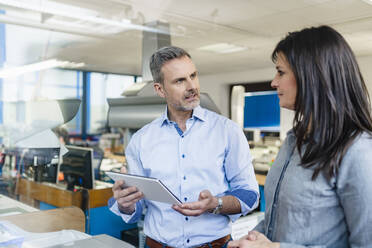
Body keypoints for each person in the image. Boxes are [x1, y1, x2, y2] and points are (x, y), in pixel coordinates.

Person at [228, 25, 372, 248]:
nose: (274, 82)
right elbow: (276, 220)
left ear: (311, 76)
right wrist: (251, 239)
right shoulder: (293, 141)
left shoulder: (358, 151)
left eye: (281, 72)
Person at [108, 46, 259, 248]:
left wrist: (216, 204)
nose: (192, 86)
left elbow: (250, 194)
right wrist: (125, 204)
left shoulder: (227, 131)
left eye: (193, 76)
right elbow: (137, 207)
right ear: (160, 89)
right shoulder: (141, 140)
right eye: (180, 80)